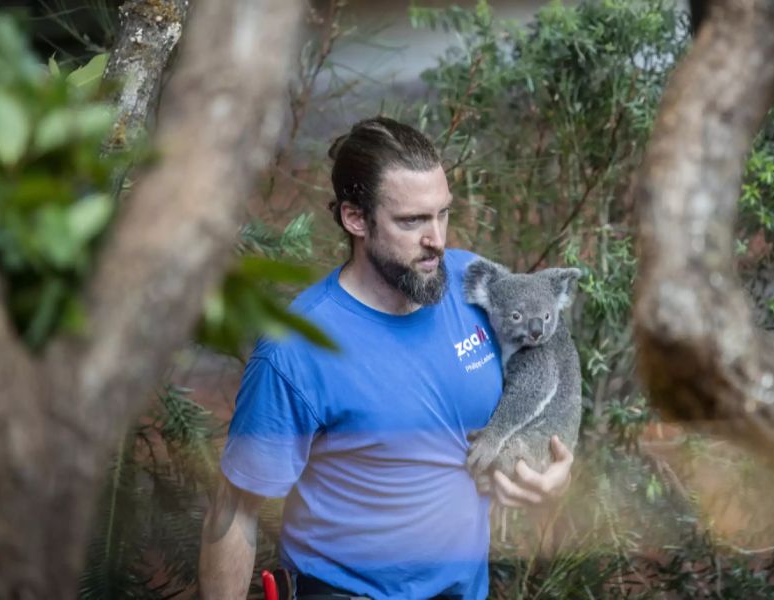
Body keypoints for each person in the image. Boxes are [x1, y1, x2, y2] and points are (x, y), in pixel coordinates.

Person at [198, 116, 574, 599]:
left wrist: (553, 473)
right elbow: (234, 510)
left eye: (442, 213)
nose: (436, 238)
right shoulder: (297, 348)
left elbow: (546, 371)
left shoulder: (474, 286)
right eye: (412, 221)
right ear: (356, 219)